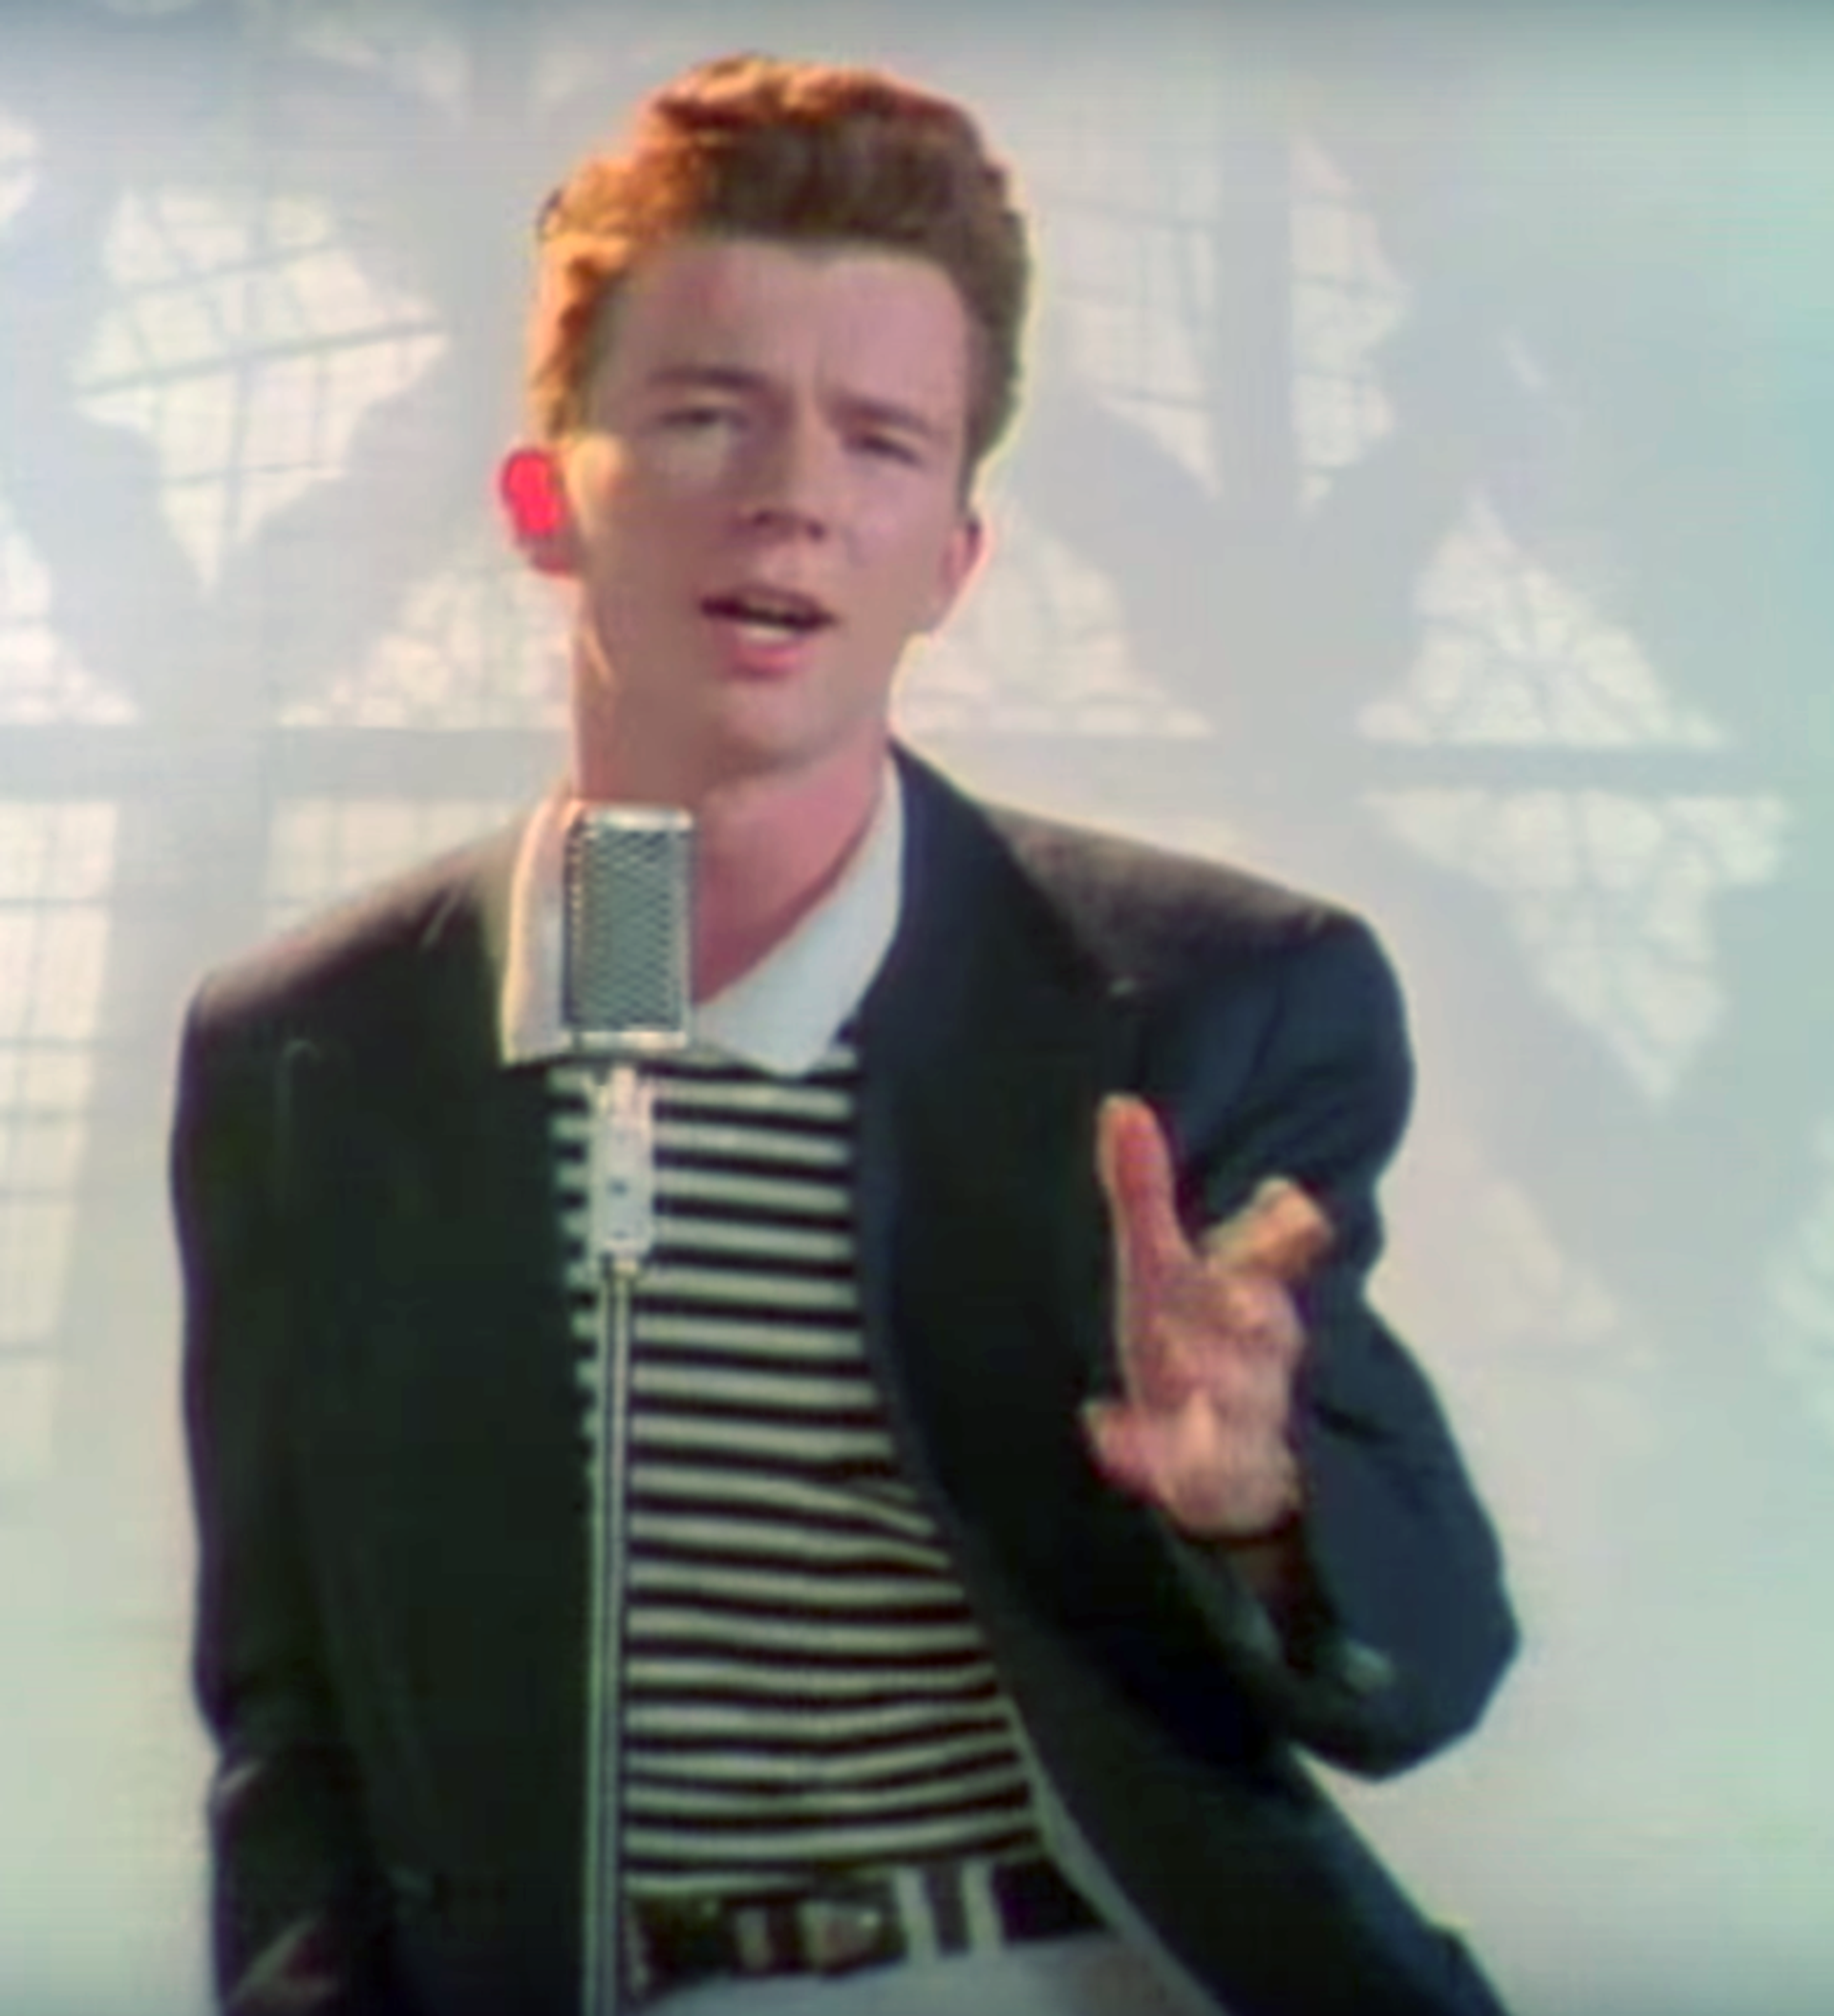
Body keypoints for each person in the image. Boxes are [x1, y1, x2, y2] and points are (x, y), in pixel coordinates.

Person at [173, 53, 1517, 2016]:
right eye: (707, 415)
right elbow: (290, 1717)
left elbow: (1435, 1664)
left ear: (952, 559)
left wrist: (1263, 1501)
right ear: (544, 504)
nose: (794, 495)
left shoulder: (1202, 1005)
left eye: (883, 441)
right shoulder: (320, 1049)